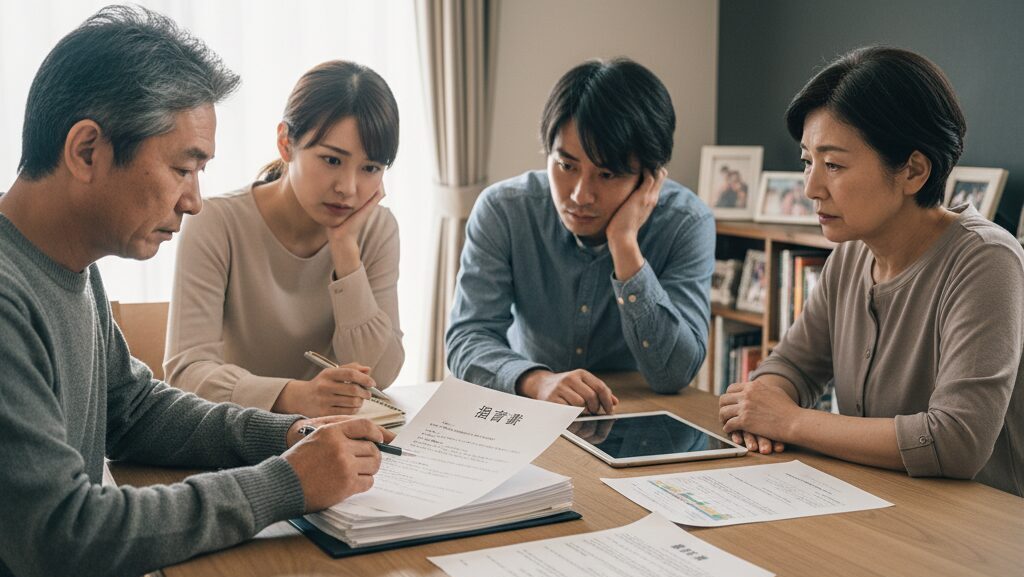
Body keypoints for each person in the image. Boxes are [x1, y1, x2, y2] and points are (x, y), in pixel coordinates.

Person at [0, 7, 393, 576]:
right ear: (87, 151)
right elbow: (63, 535)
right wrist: (284, 482)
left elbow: (133, 409)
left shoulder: (72, 265)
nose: (194, 200)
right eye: (184, 169)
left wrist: (287, 434)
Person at [718, 46, 1023, 496]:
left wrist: (790, 420)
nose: (810, 188)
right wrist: (761, 403)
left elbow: (957, 440)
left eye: (834, 164)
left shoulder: (986, 259)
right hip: (877, 503)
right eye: (807, 161)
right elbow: (792, 366)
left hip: (979, 532)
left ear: (914, 171)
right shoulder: (852, 254)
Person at [446, 58, 715, 415]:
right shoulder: (504, 210)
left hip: (632, 416)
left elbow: (674, 373)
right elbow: (467, 339)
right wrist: (537, 381)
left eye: (606, 174)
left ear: (650, 176)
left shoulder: (685, 222)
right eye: (566, 166)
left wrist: (624, 245)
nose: (579, 195)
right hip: (529, 409)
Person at [164, 60, 404, 418]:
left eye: (370, 168)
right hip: (235, 435)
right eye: (332, 160)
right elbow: (186, 374)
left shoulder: (376, 230)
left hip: (331, 438)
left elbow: (380, 375)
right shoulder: (216, 222)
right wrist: (294, 396)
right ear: (285, 143)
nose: (348, 189)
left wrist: (345, 251)